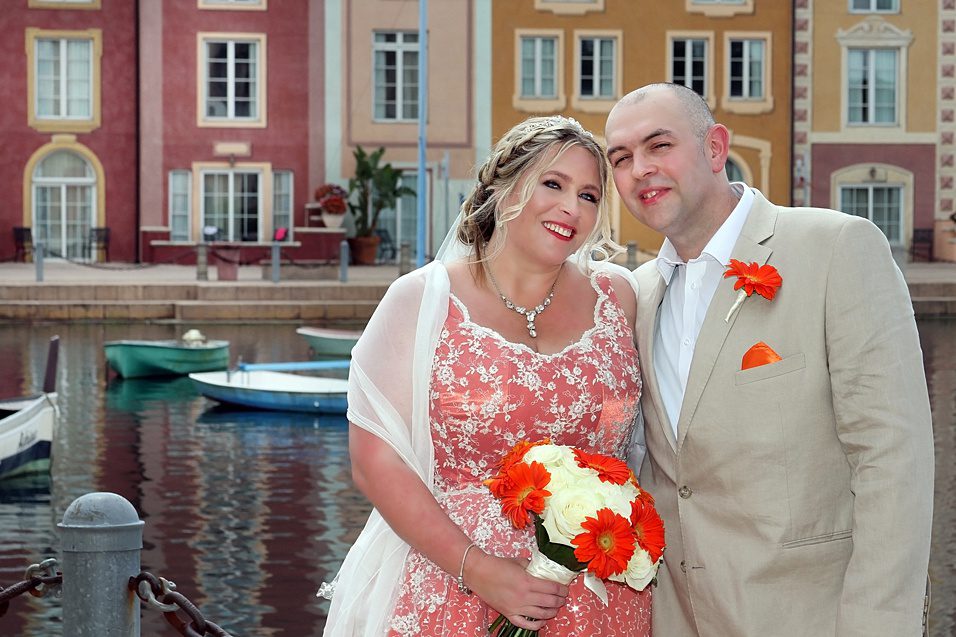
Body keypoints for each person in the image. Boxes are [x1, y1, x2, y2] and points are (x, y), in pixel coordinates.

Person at [605, 82, 935, 636]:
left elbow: (893, 457)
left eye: (658, 146)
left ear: (715, 148)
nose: (639, 169)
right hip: (677, 617)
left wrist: (878, 624)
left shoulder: (835, 249)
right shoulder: (636, 296)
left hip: (811, 617)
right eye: (621, 158)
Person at [320, 115, 652, 636]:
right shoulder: (420, 300)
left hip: (597, 597)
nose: (571, 207)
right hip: (450, 586)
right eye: (553, 183)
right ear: (502, 188)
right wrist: (481, 570)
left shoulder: (620, 297)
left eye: (589, 196)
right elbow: (375, 462)